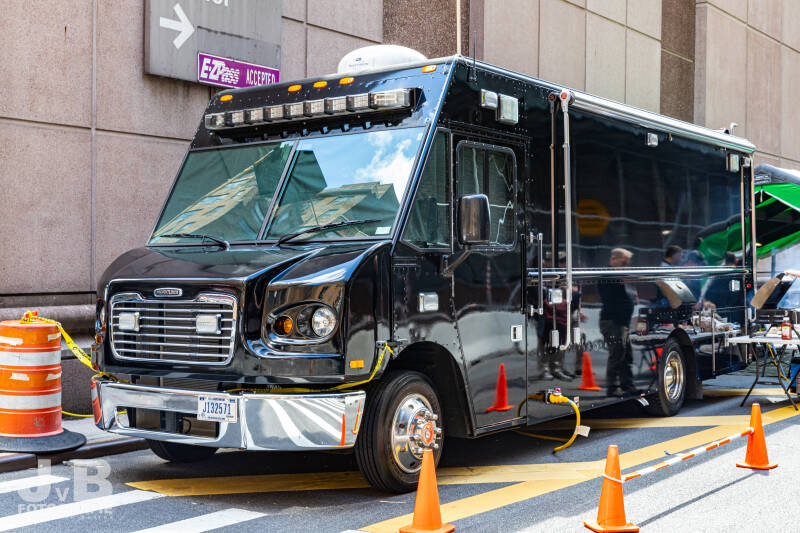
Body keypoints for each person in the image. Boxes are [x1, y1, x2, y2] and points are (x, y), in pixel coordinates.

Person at [599, 248, 639, 397]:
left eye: (628, 263)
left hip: (622, 322)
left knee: (626, 354)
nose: (627, 265)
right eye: (624, 262)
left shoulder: (620, 275)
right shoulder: (608, 275)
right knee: (617, 354)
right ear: (614, 259)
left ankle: (627, 385)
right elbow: (611, 299)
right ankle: (613, 387)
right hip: (613, 321)